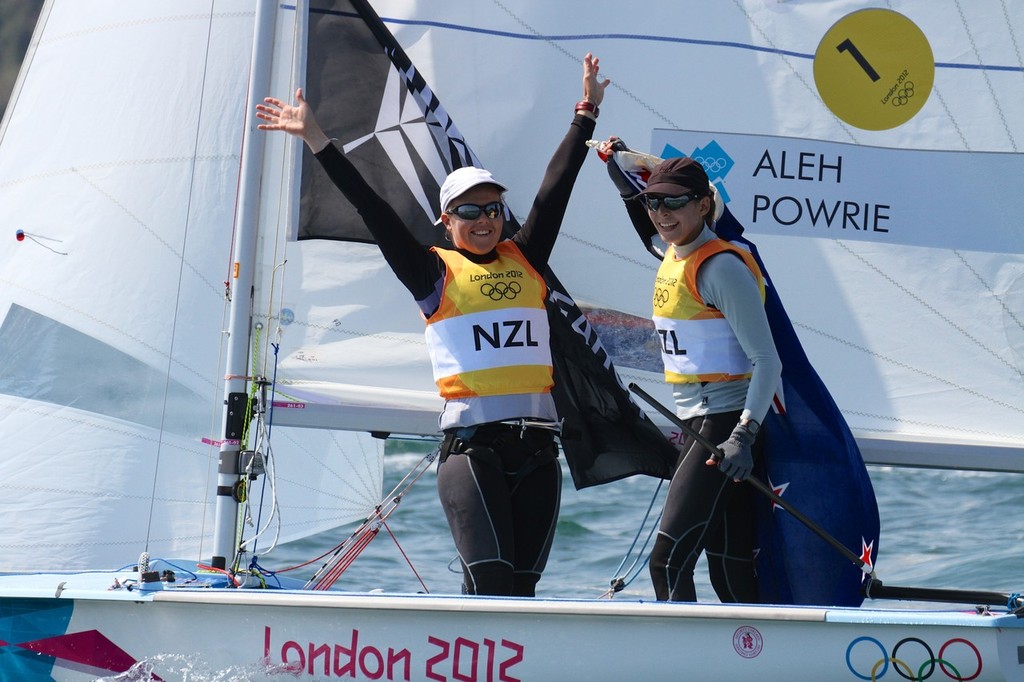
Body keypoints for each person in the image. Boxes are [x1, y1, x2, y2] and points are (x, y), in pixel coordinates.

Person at [256, 54, 609, 597]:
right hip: (473, 453)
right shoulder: (432, 271)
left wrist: (585, 113)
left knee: (521, 594)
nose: (485, 220)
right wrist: (317, 140)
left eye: (492, 209)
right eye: (469, 211)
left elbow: (554, 190)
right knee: (490, 585)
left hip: (539, 453)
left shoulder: (528, 258)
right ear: (447, 221)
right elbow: (372, 209)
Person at [599, 145, 783, 602]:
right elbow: (644, 215)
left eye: (675, 202)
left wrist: (743, 434)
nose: (662, 213)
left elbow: (767, 361)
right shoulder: (672, 251)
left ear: (704, 204)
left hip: (724, 429)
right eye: (654, 201)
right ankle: (750, 660)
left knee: (668, 562)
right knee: (730, 568)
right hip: (694, 427)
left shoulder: (720, 267)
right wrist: (614, 162)